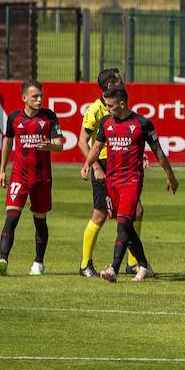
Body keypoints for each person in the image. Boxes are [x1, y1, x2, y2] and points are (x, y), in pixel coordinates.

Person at [85, 83, 179, 282]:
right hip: (112, 182)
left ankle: (113, 269)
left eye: (110, 105)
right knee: (126, 226)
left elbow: (158, 152)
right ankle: (144, 266)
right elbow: (97, 146)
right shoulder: (105, 123)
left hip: (131, 181)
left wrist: (170, 175)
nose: (107, 108)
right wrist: (88, 164)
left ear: (122, 103)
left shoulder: (142, 123)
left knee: (123, 224)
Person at [77, 67, 147, 279]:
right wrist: (96, 166)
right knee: (100, 214)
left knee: (136, 211)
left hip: (123, 164)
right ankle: (85, 264)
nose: (123, 83)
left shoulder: (120, 106)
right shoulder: (96, 110)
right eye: (120, 80)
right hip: (105, 166)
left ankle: (133, 262)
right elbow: (82, 141)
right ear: (110, 86)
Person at [0, 80, 63, 276]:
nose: (39, 99)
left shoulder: (49, 117)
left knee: (39, 221)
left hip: (42, 178)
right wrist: (2, 170)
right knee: (11, 218)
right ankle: (3, 260)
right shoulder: (14, 118)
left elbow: (60, 145)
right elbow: (7, 143)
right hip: (19, 177)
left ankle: (38, 263)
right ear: (24, 98)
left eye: (41, 96)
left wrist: (49, 145)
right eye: (35, 96)